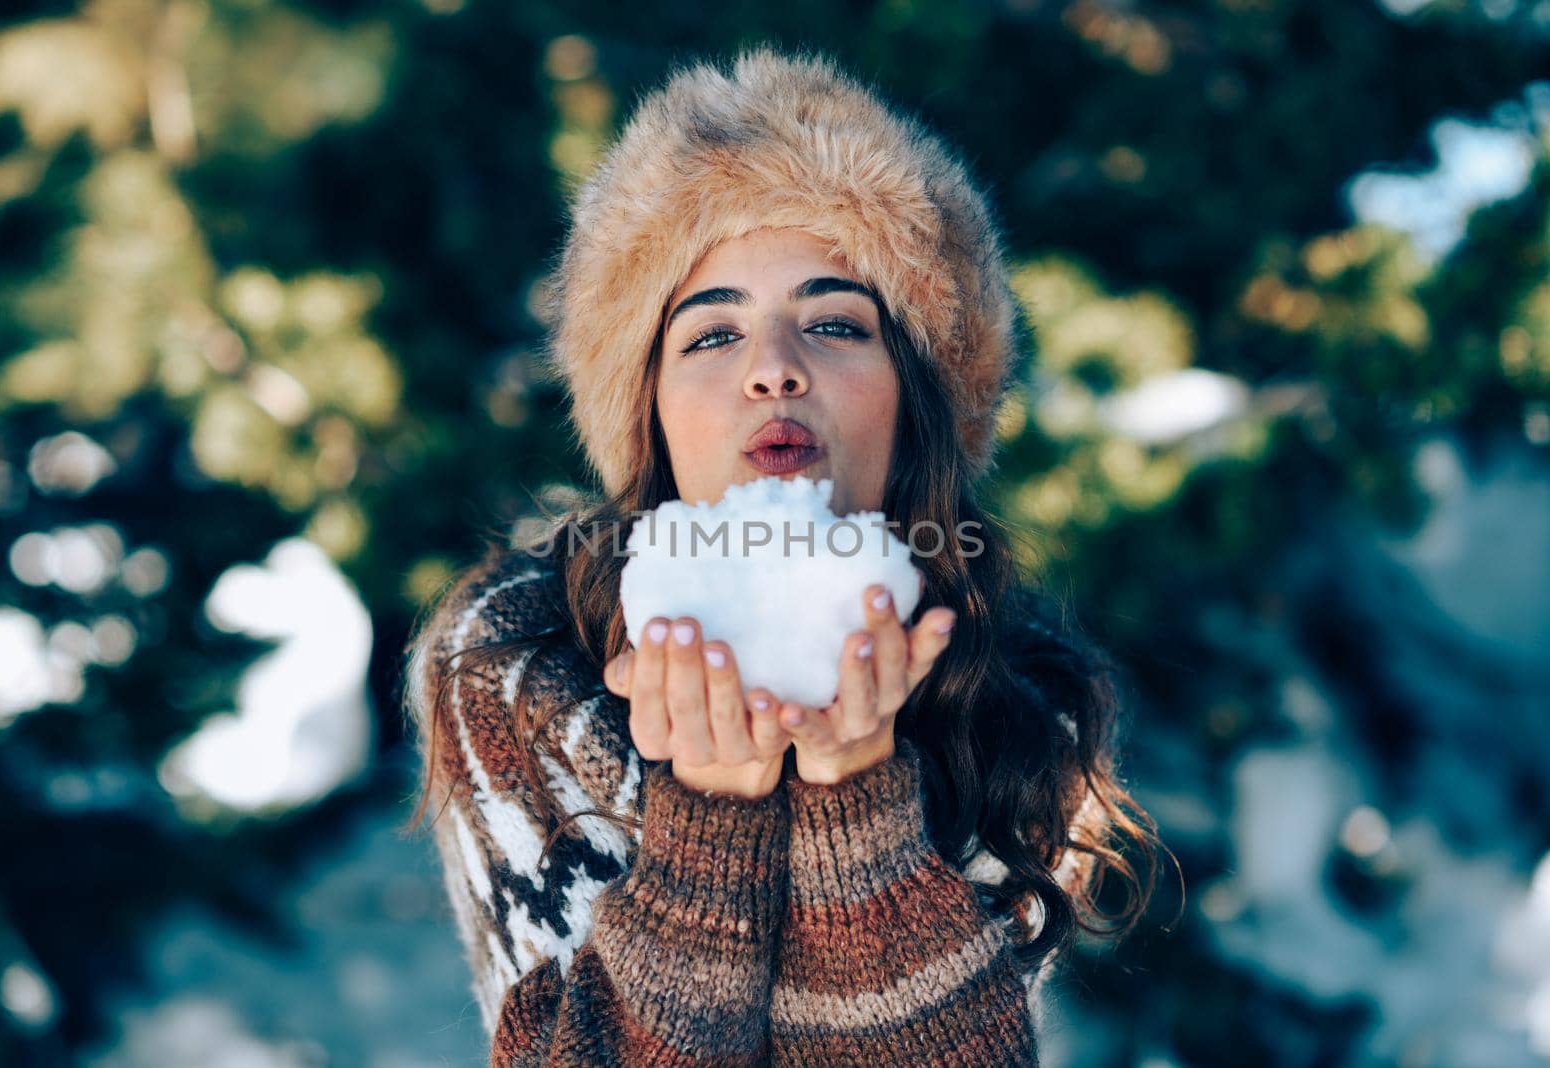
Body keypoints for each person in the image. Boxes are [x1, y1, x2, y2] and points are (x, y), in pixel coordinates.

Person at [403, 44, 1168, 1066]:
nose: (773, 369)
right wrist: (707, 831)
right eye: (711, 337)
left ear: (919, 399)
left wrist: (856, 806)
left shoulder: (1019, 701)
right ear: (649, 416)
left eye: (834, 323)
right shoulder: (515, 657)